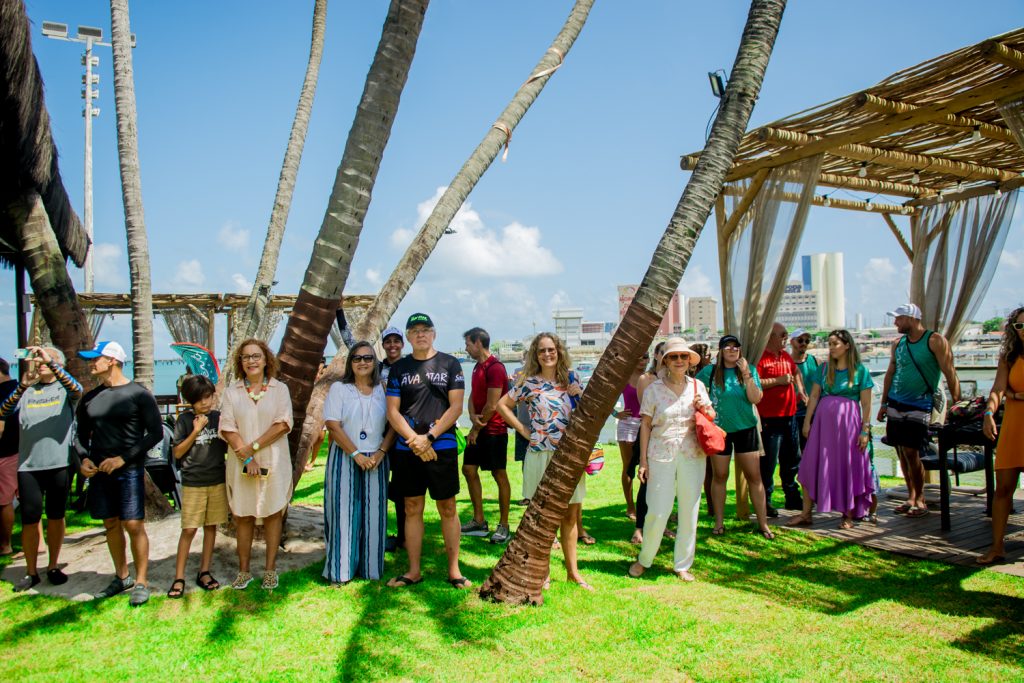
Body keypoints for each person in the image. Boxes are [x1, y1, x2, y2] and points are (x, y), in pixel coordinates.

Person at [496, 332, 592, 590]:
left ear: (559, 351)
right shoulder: (528, 382)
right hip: (539, 453)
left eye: (551, 349)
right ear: (535, 356)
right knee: (542, 517)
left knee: (570, 515)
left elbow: (587, 416)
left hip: (568, 455)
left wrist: (579, 394)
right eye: (542, 351)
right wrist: (523, 430)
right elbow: (502, 406)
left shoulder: (572, 379)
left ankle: (573, 572)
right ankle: (543, 572)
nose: (547, 354)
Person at [74, 341, 164, 606]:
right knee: (110, 523)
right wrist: (84, 459)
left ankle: (141, 581)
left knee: (133, 524)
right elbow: (78, 436)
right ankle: (122, 575)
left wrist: (123, 458)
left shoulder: (139, 394)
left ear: (112, 361)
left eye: (96, 359)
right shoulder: (89, 398)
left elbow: (155, 433)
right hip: (99, 472)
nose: (91, 363)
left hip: (129, 469)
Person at [385, 313, 469, 589]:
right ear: (408, 337)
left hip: (441, 445)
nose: (420, 334)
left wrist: (429, 437)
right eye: (415, 330)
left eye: (426, 330)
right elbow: (393, 412)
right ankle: (413, 570)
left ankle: (455, 571)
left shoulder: (450, 364)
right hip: (408, 447)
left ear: (434, 334)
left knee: (447, 506)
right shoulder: (399, 369)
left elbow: (455, 407)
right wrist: (416, 441)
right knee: (412, 507)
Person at [628, 338, 714, 582]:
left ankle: (682, 564)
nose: (679, 361)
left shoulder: (698, 387)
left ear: (689, 361)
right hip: (660, 455)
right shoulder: (654, 389)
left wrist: (703, 409)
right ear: (664, 360)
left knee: (689, 510)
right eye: (674, 357)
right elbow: (645, 424)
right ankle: (645, 559)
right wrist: (643, 461)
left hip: (692, 455)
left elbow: (711, 415)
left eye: (683, 357)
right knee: (657, 510)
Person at [1, 347, 82, 591]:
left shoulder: (64, 390)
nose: (41, 362)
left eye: (46, 359)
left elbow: (77, 389)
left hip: (59, 463)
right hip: (29, 466)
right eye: (39, 359)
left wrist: (53, 364)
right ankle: (31, 571)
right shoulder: (27, 391)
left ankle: (54, 565)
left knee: (56, 516)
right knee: (29, 518)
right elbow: (4, 411)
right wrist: (23, 386)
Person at [219, 338, 293, 591]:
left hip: (274, 461)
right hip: (242, 464)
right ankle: (244, 571)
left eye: (256, 356)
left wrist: (254, 448)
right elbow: (227, 428)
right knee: (243, 515)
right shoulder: (232, 392)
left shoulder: (279, 389)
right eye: (246, 357)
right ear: (240, 363)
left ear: (266, 360)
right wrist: (247, 457)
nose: (251, 361)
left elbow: (283, 424)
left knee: (273, 513)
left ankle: (270, 571)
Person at [322, 341, 396, 583]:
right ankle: (340, 570)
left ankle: (370, 569)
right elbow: (332, 425)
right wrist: (355, 454)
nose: (362, 362)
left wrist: (381, 452)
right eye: (357, 358)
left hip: (376, 457)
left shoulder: (383, 389)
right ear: (349, 362)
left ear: (375, 362)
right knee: (344, 513)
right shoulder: (339, 389)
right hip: (345, 456)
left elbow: (394, 423)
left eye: (368, 358)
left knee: (375, 514)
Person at [877, 303, 960, 517]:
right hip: (896, 404)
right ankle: (911, 495)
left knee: (912, 451)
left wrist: (957, 403)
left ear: (911, 318)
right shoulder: (898, 344)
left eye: (899, 318)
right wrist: (884, 403)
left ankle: (920, 498)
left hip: (920, 404)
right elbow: (890, 372)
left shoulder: (934, 340)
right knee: (901, 451)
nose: (895, 322)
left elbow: (950, 373)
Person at [788, 330, 875, 529]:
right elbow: (815, 396)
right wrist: (807, 422)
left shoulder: (860, 371)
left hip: (849, 426)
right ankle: (806, 513)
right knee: (811, 464)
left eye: (835, 343)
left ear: (847, 345)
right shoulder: (825, 368)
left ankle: (847, 514)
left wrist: (865, 430)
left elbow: (867, 404)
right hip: (823, 425)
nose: (831, 347)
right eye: (829, 344)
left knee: (847, 466)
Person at [697, 335, 774, 538]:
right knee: (720, 476)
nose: (732, 350)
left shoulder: (749, 371)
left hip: (746, 429)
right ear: (721, 351)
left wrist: (747, 373)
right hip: (720, 431)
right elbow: (694, 389)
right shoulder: (711, 372)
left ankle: (763, 523)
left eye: (736, 347)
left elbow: (755, 398)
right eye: (727, 347)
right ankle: (719, 522)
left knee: (754, 477)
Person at [167, 375, 228, 598]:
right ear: (190, 400)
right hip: (193, 482)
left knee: (211, 526)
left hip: (217, 479)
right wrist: (195, 430)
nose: (205, 402)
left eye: (208, 397)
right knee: (189, 529)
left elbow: (226, 443)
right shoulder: (184, 420)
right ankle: (179, 577)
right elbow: (178, 452)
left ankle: (204, 571)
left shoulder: (218, 417)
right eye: (200, 399)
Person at [978, 306, 1024, 565]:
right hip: (1014, 427)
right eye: (1019, 326)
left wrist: (1013, 395)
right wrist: (988, 413)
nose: (1023, 330)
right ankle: (997, 546)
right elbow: (998, 388)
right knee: (1003, 488)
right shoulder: (1009, 356)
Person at [460, 327, 512, 543]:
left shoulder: (496, 368)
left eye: (468, 344)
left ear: (478, 343)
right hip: (479, 429)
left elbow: (493, 404)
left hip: (494, 431)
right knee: (468, 469)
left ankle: (504, 525)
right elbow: (474, 394)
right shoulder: (476, 367)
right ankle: (479, 520)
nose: (466, 348)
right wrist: (471, 414)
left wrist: (475, 429)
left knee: (498, 475)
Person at [757, 322, 807, 515]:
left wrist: (801, 392)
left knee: (792, 458)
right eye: (783, 335)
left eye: (786, 335)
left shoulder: (785, 356)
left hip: (790, 416)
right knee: (768, 462)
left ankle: (792, 497)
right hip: (770, 419)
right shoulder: (761, 358)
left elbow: (796, 372)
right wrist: (778, 381)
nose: (786, 338)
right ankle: (766, 501)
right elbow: (754, 383)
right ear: (770, 337)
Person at [631, 341, 667, 544]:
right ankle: (639, 527)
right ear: (656, 355)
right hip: (649, 436)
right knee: (646, 483)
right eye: (663, 353)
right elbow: (648, 410)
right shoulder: (647, 379)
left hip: (669, 441)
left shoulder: (680, 380)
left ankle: (663, 525)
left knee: (667, 485)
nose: (667, 357)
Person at [379, 326, 407, 553]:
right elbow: (350, 344)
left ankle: (403, 535)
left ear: (402, 344)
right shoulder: (376, 369)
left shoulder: (408, 368)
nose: (392, 346)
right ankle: (378, 532)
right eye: (388, 341)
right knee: (379, 484)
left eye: (396, 341)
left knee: (400, 489)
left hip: (402, 434)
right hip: (379, 432)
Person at [613, 351, 648, 522]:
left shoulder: (651, 378)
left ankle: (647, 504)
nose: (642, 360)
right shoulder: (624, 378)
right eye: (639, 356)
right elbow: (607, 398)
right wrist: (615, 414)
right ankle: (630, 506)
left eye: (645, 357)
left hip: (647, 425)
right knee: (628, 467)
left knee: (648, 465)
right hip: (627, 424)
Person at [789, 329, 818, 456]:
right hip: (793, 414)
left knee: (813, 451)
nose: (804, 343)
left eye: (807, 341)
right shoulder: (786, 363)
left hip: (812, 413)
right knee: (794, 453)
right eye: (800, 340)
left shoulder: (815, 361)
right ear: (792, 342)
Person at [0, 357, 18, 556]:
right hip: (21, 450)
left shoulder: (6, 392)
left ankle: (5, 544)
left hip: (6, 452)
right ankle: (38, 544)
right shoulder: (19, 389)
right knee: (28, 500)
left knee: (4, 501)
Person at [305, 357, 329, 472]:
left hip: (323, 410)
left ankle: (312, 461)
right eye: (317, 372)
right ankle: (304, 461)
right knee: (310, 437)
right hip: (310, 412)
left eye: (320, 372)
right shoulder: (307, 381)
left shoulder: (325, 382)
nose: (318, 375)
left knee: (320, 437)